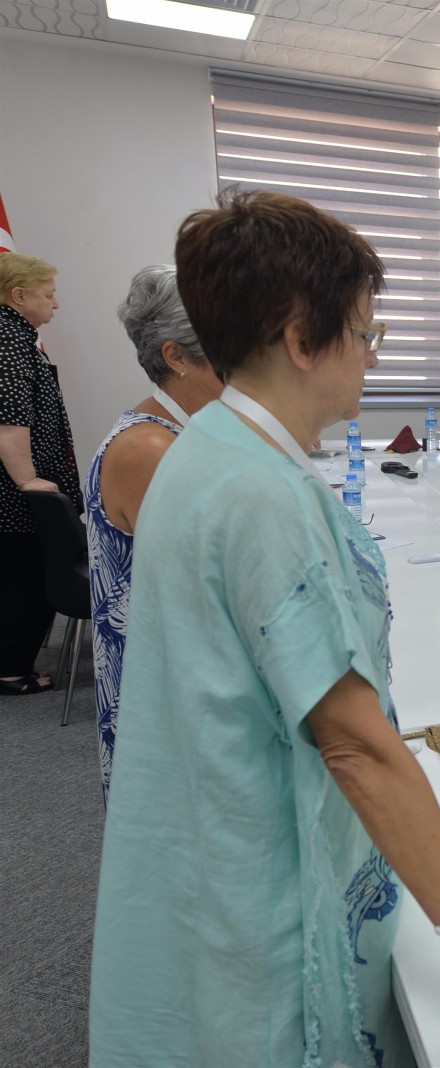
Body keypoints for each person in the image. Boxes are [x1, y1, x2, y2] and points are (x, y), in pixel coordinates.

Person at [90, 192, 440, 1068]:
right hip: (260, 882)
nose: (372, 354)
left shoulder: (209, 446)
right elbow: (354, 745)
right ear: (299, 337)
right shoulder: (262, 495)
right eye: (364, 332)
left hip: (204, 839)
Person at [85, 265, 224, 804]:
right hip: (167, 693)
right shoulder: (150, 449)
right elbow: (208, 592)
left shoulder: (183, 430)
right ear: (176, 357)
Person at [0, 251, 78, 696]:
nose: (56, 303)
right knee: (25, 577)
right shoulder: (9, 340)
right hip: (14, 496)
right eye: (49, 295)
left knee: (21, 575)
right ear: (18, 295)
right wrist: (28, 482)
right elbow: (9, 421)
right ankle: (11, 670)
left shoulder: (15, 335)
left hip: (17, 490)